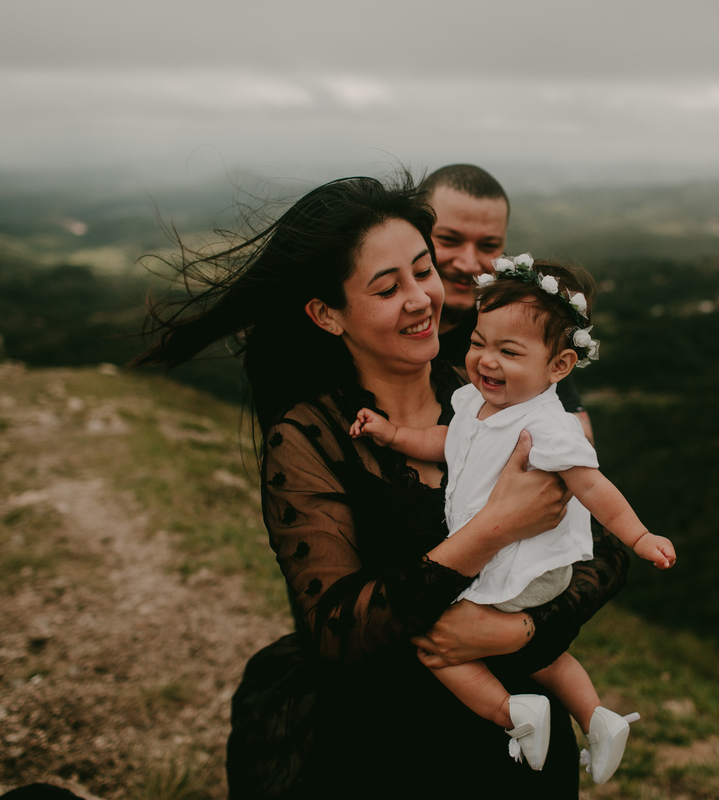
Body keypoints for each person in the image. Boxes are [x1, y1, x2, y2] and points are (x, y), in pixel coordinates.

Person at [131, 174, 629, 797]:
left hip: (523, 744)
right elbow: (337, 630)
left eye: (423, 271)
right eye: (389, 288)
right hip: (385, 753)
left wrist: (524, 630)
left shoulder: (487, 397)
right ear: (327, 314)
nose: (421, 298)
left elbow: (605, 547)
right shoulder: (310, 438)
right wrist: (493, 529)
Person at [350, 256, 675, 784]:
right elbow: (447, 441)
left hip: (523, 565)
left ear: (559, 366)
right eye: (479, 342)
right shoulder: (475, 403)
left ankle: (514, 713)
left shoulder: (548, 425)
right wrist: (393, 435)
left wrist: (639, 536)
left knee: (433, 637)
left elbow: (593, 486)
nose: (486, 360)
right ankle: (598, 717)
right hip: (510, 559)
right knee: (542, 656)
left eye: (509, 351)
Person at [419, 164, 594, 443]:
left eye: (488, 246)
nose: (468, 263)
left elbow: (580, 438)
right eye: (448, 240)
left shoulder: (513, 325)